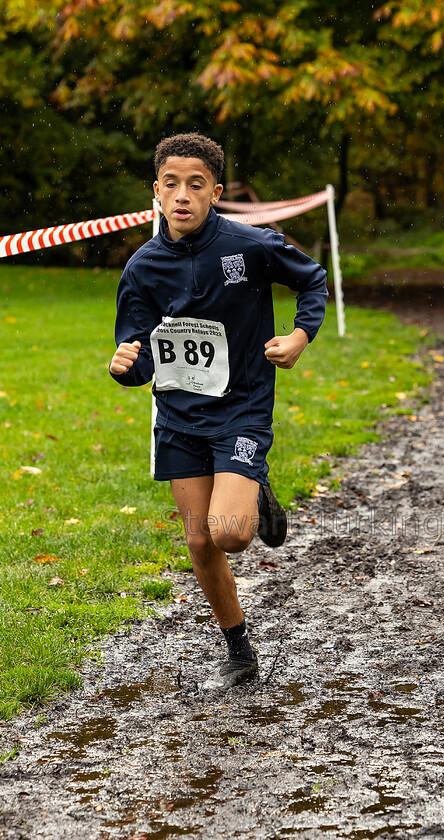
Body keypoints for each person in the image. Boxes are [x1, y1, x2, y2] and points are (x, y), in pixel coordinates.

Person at [109, 132, 328, 690]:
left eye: (196, 185)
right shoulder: (141, 269)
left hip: (242, 408)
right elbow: (139, 363)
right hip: (179, 416)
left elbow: (313, 280)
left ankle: (252, 484)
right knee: (199, 540)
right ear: (156, 192)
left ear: (216, 192)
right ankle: (239, 649)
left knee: (228, 532)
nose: (183, 195)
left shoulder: (250, 245)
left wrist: (301, 336)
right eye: (172, 184)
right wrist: (124, 365)